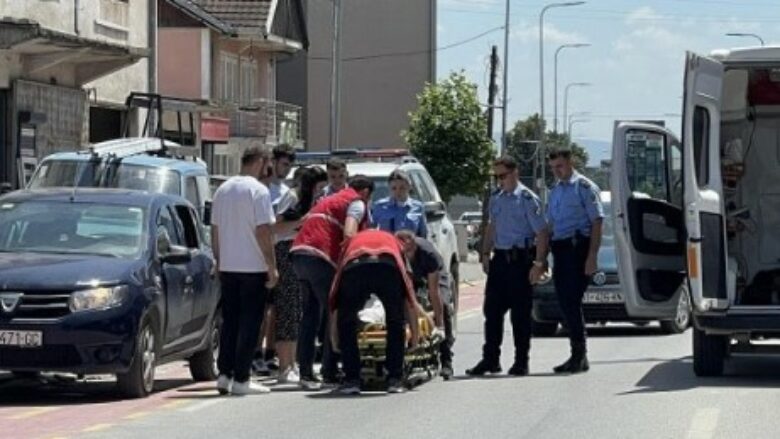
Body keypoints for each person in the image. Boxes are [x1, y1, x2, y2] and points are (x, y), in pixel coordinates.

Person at [466, 156, 549, 377]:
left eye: (502, 176)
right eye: (496, 177)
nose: (499, 181)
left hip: (521, 261)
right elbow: (492, 226)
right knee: (492, 312)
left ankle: (521, 361)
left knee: (520, 315)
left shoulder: (527, 199)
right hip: (500, 260)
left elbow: (542, 232)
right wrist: (485, 252)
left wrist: (539, 263)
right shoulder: (496, 198)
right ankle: (490, 359)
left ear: (514, 173)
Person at [290, 175, 374, 390]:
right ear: (365, 192)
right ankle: (330, 371)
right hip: (321, 257)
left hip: (299, 254)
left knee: (310, 315)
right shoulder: (356, 203)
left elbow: (305, 223)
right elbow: (350, 232)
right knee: (334, 311)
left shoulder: (329, 200)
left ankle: (306, 372)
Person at [211, 146, 279, 396]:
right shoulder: (258, 191)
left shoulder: (222, 190)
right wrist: (272, 266)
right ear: (260, 161)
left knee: (230, 322)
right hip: (253, 266)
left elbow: (215, 230)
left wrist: (219, 260)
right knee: (250, 323)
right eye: (268, 163)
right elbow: (263, 231)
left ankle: (224, 374)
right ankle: (242, 378)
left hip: (229, 266)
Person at [329, 229, 421, 395]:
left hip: (355, 266)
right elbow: (409, 298)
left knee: (347, 322)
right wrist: (415, 336)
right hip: (387, 267)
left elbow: (336, 298)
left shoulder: (352, 242)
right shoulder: (395, 245)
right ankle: (394, 379)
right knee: (395, 321)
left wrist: (334, 336)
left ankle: (351, 380)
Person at [539, 148, 604, 374]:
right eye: (553, 168)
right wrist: (542, 257)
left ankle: (579, 354)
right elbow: (551, 225)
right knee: (564, 302)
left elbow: (597, 222)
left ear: (570, 163)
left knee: (571, 301)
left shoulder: (584, 187)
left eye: (560, 166)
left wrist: (592, 256)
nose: (556, 171)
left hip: (578, 249)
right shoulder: (556, 191)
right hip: (560, 250)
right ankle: (577, 354)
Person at [271, 166, 328, 384]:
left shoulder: (313, 199)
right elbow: (277, 226)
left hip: (302, 249)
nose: (321, 192)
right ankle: (284, 366)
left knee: (298, 310)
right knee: (288, 307)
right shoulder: (292, 197)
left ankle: (293, 363)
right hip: (287, 249)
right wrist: (305, 220)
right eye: (319, 187)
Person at [254, 144, 297, 376]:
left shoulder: (286, 191)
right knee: (262, 308)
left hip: (278, 250)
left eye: (289, 165)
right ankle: (255, 353)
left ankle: (269, 353)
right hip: (260, 250)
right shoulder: (262, 189)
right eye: (283, 164)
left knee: (276, 308)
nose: (286, 169)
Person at [396, 230, 454, 379]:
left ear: (414, 245)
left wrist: (439, 326)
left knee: (443, 304)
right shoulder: (396, 254)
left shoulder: (429, 255)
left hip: (433, 273)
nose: (407, 255)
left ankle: (446, 360)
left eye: (409, 252)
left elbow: (434, 292)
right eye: (404, 252)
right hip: (411, 275)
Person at [372, 170, 427, 238]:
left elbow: (423, 234)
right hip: (388, 244)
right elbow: (371, 231)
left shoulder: (418, 207)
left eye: (402, 188)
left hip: (409, 244)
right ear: (389, 188)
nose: (398, 191)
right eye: (394, 188)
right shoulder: (380, 206)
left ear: (409, 187)